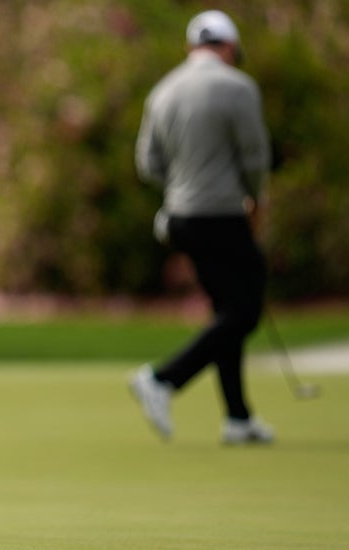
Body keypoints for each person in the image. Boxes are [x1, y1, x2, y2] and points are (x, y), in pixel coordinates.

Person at [131, 9, 273, 444]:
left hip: (180, 218)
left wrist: (183, 184)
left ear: (194, 46)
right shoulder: (239, 87)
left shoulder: (163, 91)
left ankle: (238, 418)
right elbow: (254, 158)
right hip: (223, 214)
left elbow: (148, 164)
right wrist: (255, 200)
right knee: (246, 309)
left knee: (227, 310)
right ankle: (163, 379)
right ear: (228, 47)